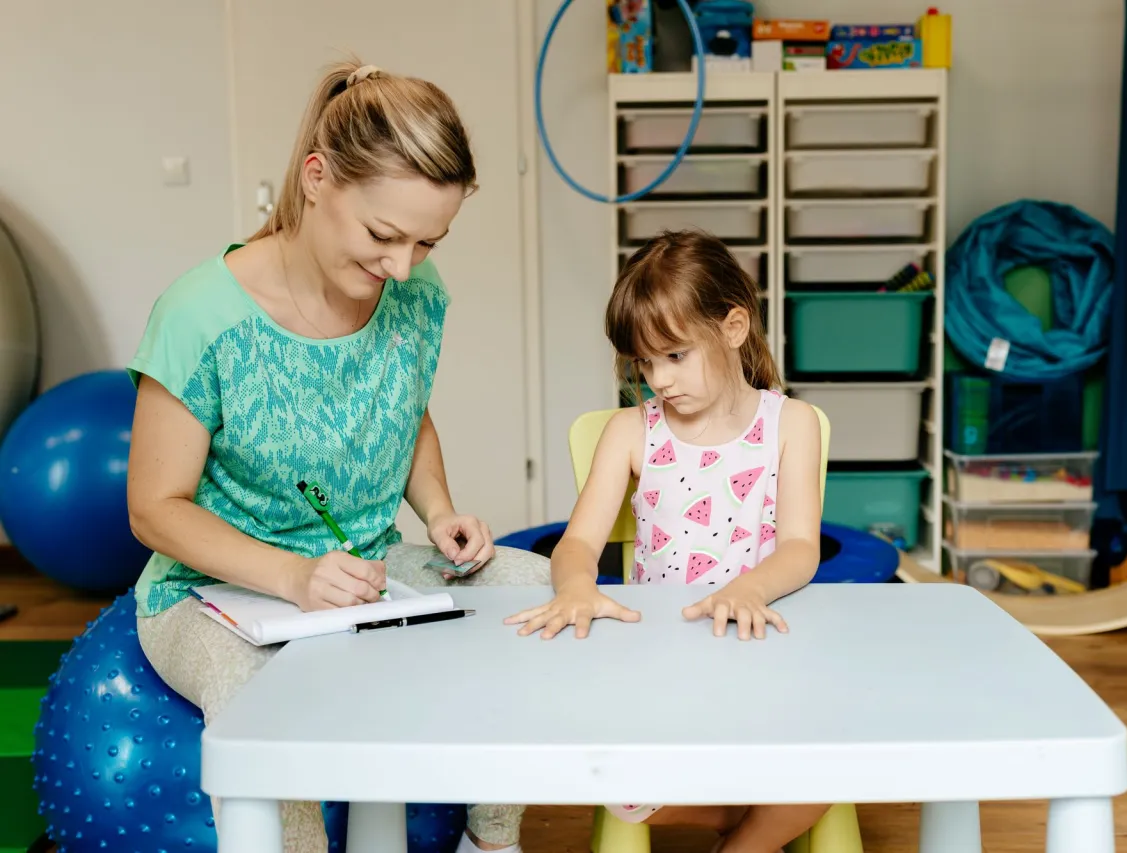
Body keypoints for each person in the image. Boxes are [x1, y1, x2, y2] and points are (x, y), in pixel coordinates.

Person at [125, 59, 547, 853]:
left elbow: (408, 414)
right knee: (269, 702)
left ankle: (490, 838)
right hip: (210, 591)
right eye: (384, 235)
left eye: (429, 241)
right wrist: (289, 576)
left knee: (538, 593)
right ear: (316, 179)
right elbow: (153, 508)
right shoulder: (200, 316)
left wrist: (442, 510)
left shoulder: (417, 293)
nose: (402, 267)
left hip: (362, 573)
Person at [504, 229, 830, 852]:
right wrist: (574, 588)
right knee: (622, 789)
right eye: (644, 363)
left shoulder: (792, 423)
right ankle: (739, 822)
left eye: (674, 356)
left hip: (757, 649)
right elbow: (577, 543)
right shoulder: (631, 431)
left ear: (733, 327)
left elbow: (799, 548)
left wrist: (747, 590)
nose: (658, 379)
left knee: (833, 766)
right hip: (658, 658)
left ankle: (744, 841)